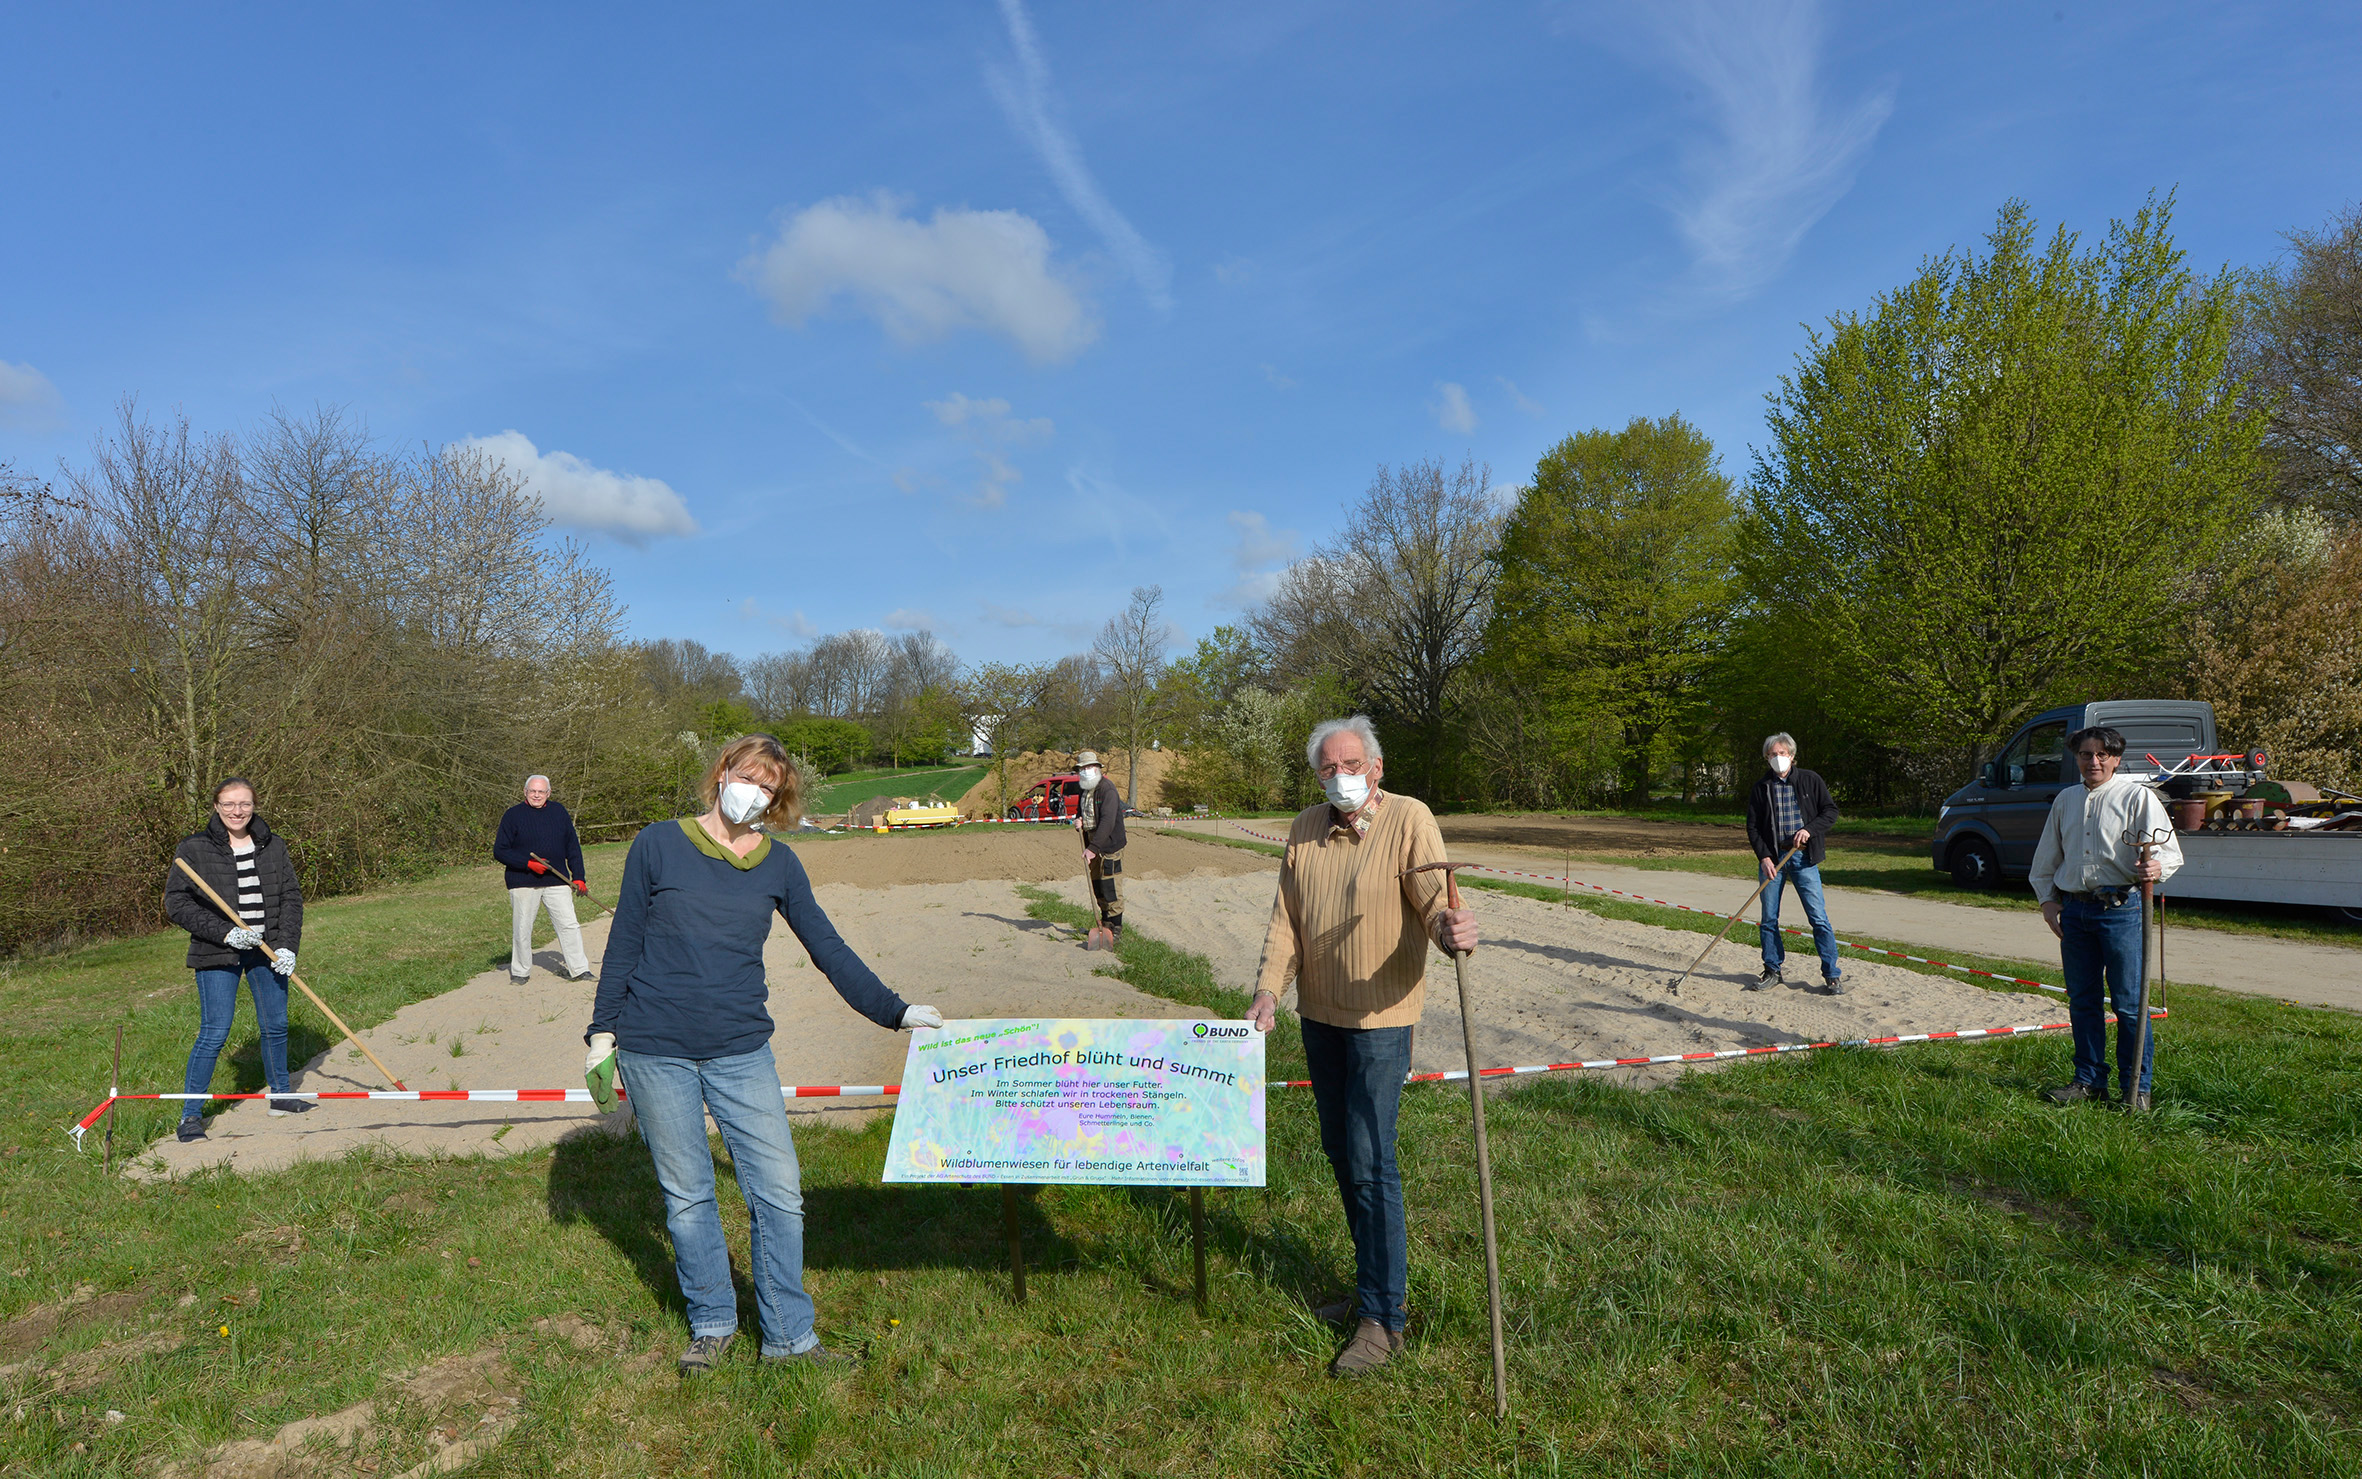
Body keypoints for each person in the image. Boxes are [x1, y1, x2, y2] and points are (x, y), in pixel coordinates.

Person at [584, 734, 944, 1376]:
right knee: (689, 1196)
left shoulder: (778, 865)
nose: (756, 792)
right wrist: (601, 1034)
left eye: (770, 787)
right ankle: (714, 1322)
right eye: (748, 776)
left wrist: (895, 1010)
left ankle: (788, 1336)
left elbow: (827, 947)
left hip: (741, 1050)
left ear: (779, 800)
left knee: (778, 1194)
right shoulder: (657, 845)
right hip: (654, 1048)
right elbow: (623, 943)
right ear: (721, 774)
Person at [1243, 715, 1477, 1378]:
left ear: (1376, 768)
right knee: (1342, 1152)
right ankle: (1371, 1286)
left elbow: (1433, 900)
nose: (1340, 777)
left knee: (1373, 1159)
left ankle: (1383, 1319)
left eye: (1351, 765)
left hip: (1381, 1020)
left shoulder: (1409, 818)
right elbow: (1286, 921)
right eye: (1327, 768)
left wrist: (1449, 927)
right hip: (1320, 1017)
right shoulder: (1304, 830)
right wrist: (1268, 990)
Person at [2031, 725, 2181, 1110]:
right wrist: (2049, 902)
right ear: (2076, 758)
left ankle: (2136, 1090)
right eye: (2085, 754)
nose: (2093, 761)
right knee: (2082, 1001)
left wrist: (2155, 869)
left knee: (2129, 1004)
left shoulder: (2137, 798)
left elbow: (2169, 853)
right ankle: (2089, 1081)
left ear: (2116, 758)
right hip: (2076, 911)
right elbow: (2047, 858)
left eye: (2102, 755)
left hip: (2122, 911)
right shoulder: (2065, 800)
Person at [162, 778, 308, 1141]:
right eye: (228, 804)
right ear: (216, 806)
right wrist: (226, 932)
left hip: (267, 948)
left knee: (275, 1026)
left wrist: (288, 946)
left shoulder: (273, 845)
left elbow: (291, 898)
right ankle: (190, 1115)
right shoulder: (194, 848)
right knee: (214, 1032)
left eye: (244, 804)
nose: (237, 811)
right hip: (217, 949)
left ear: (254, 805)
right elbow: (176, 903)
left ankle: (281, 1096)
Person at [1744, 732, 1845, 994]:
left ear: (1792, 755)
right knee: (1768, 919)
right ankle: (1772, 969)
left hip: (1803, 858)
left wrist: (1809, 830)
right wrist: (1764, 856)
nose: (1778, 759)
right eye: (1772, 755)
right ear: (1766, 758)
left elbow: (1830, 812)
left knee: (1818, 918)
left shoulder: (1811, 780)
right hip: (1773, 860)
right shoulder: (1761, 787)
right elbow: (1753, 827)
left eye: (1782, 754)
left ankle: (1832, 975)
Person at [493, 774, 592, 983]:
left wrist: (579, 876)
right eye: (532, 791)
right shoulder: (512, 815)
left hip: (557, 880)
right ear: (525, 792)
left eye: (541, 792)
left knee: (569, 925)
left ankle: (579, 969)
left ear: (548, 793)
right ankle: (520, 972)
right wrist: (527, 864)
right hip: (523, 882)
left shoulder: (559, 812)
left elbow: (572, 846)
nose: (536, 795)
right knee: (522, 927)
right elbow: (500, 851)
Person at [1071, 749, 1127, 940]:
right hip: (1092, 844)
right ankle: (1105, 924)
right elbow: (1082, 812)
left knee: (1110, 885)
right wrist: (1078, 821)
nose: (1086, 770)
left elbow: (1108, 821)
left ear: (1097, 768)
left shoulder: (1107, 789)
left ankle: (1116, 928)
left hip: (1109, 845)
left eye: (1089, 767)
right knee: (1097, 885)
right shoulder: (1085, 789)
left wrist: (1093, 848)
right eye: (1082, 768)